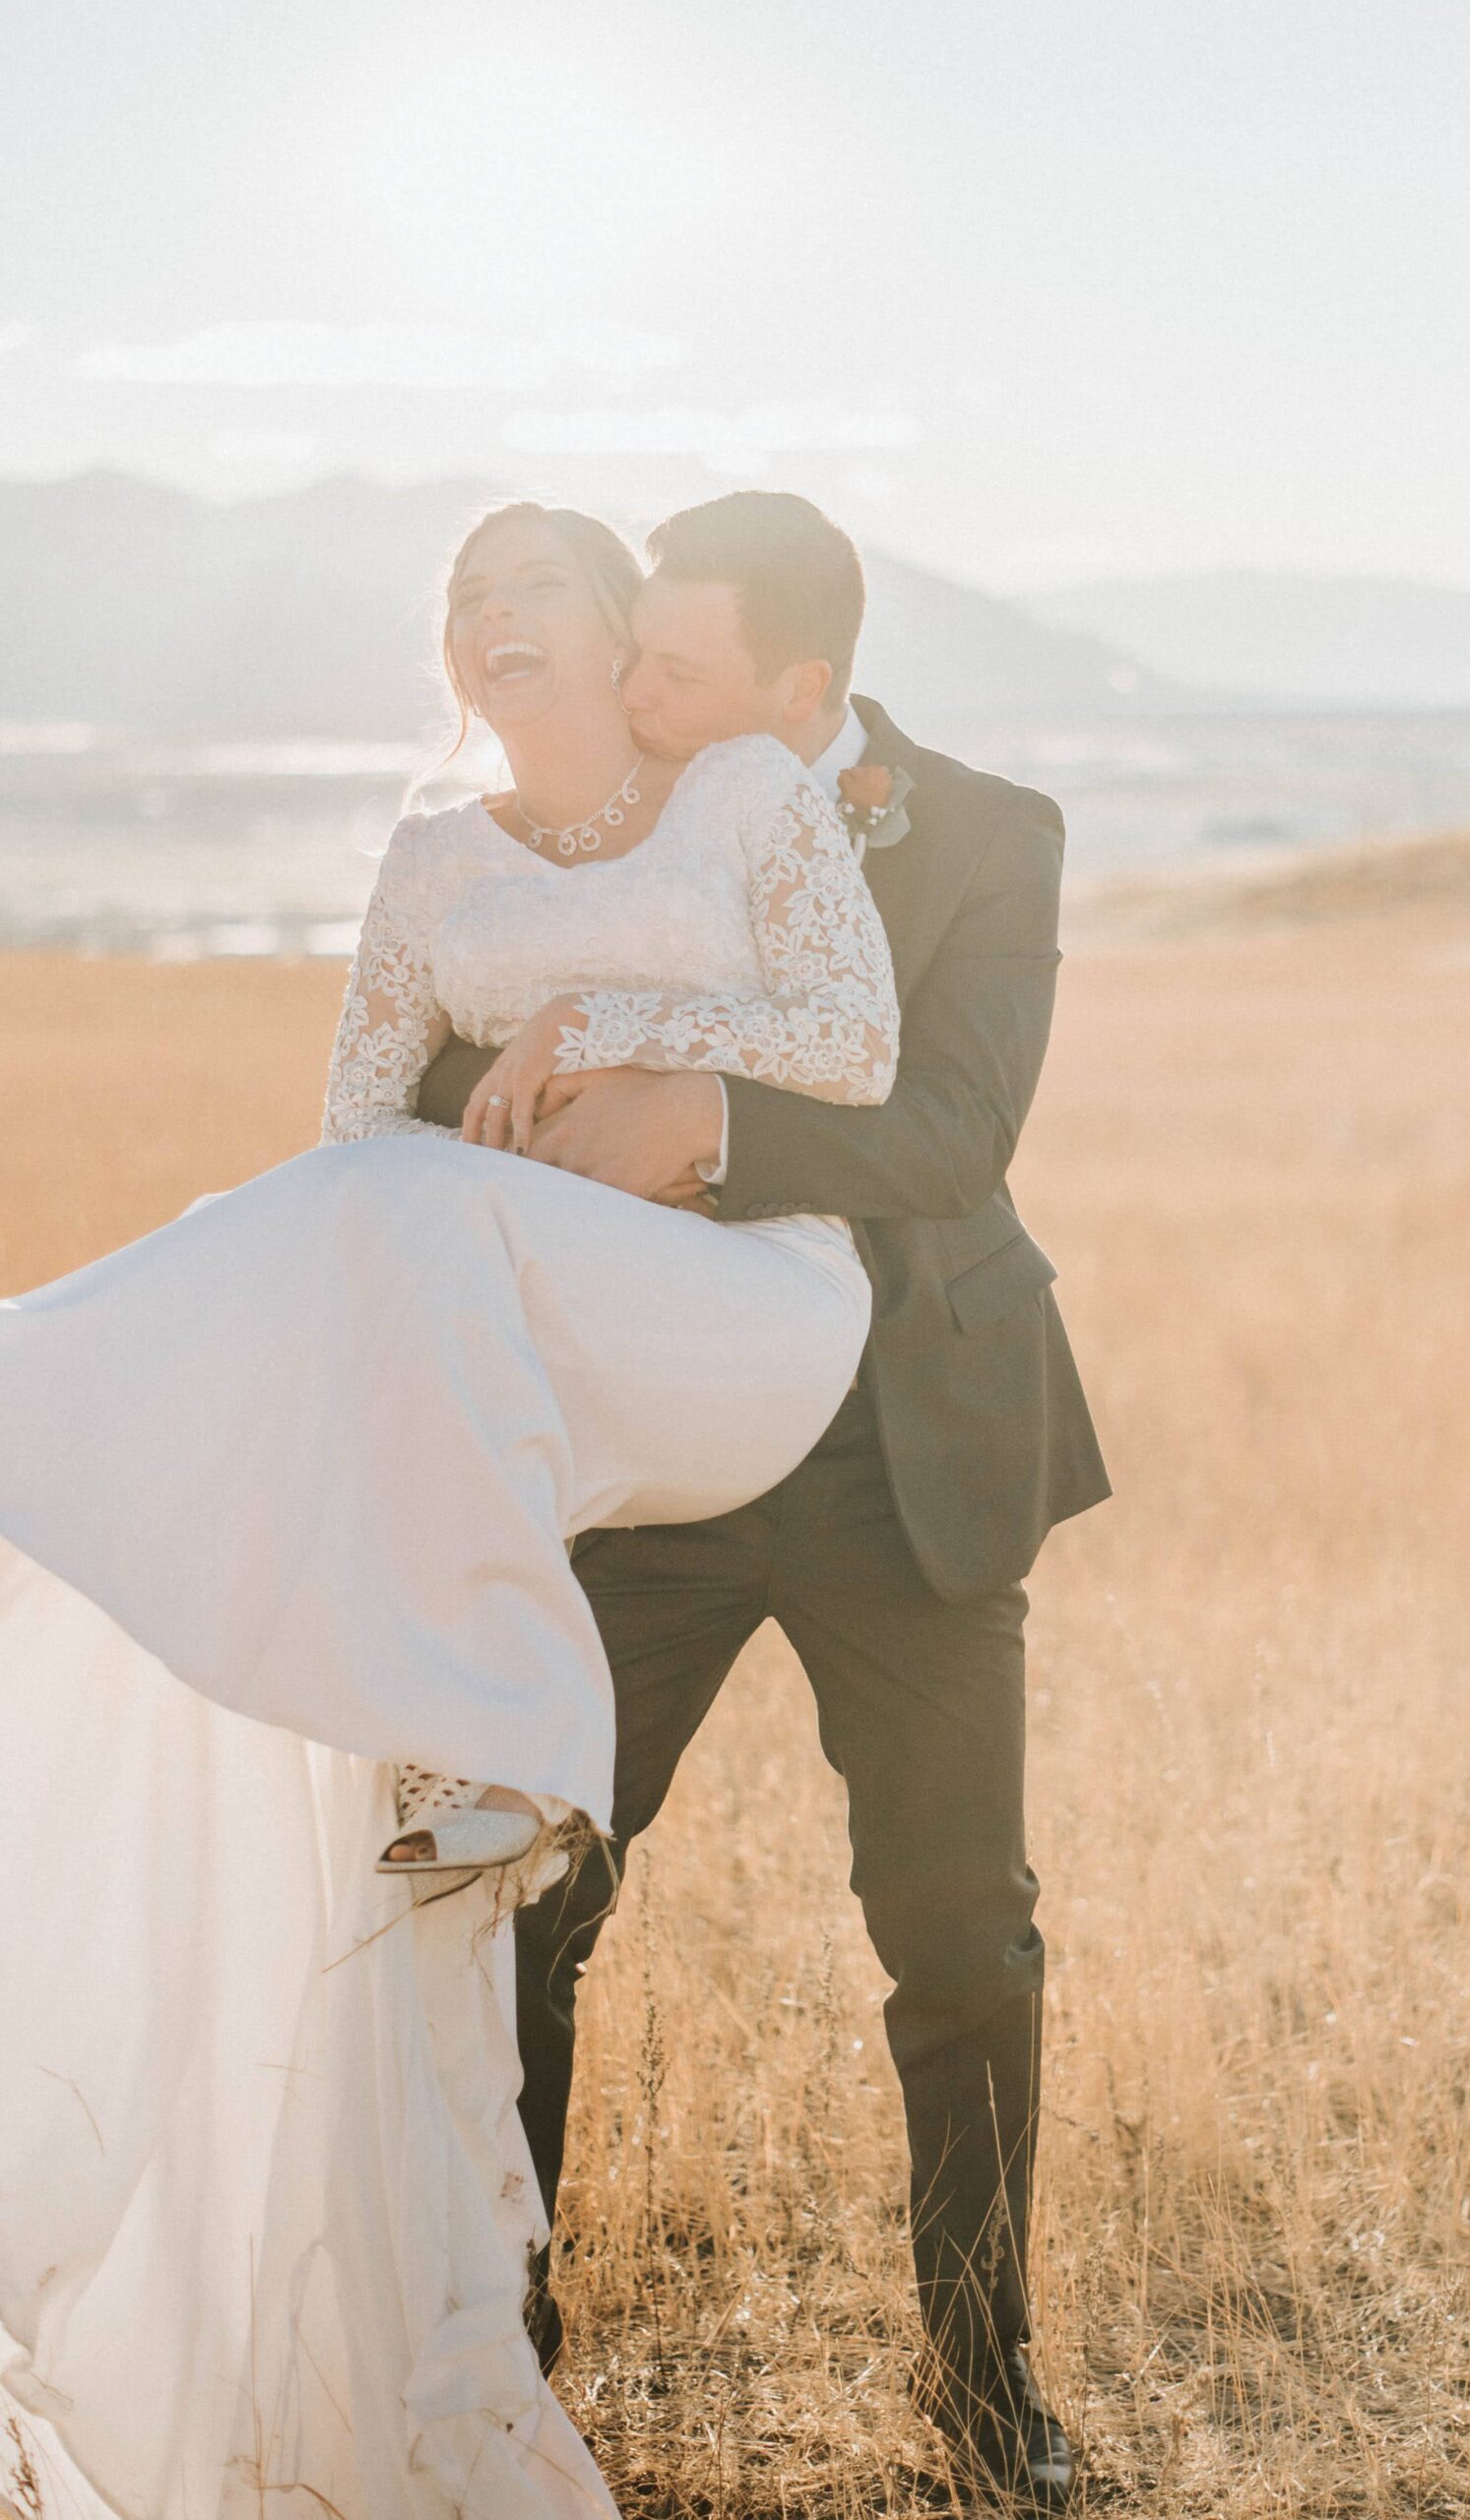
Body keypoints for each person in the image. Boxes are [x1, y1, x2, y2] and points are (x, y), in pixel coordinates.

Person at [0, 498, 900, 2520]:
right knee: (367, 1197)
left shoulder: (745, 794)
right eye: (461, 598)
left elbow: (855, 1040)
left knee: (408, 1207)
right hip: (521, 1317)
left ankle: (499, 1715)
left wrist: (602, 1027)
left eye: (532, 589)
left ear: (617, 636)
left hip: (747, 1307)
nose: (492, 616)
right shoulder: (424, 867)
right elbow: (351, 1146)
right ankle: (57, 1405)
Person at [417, 490, 1112, 2511]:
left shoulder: (992, 833)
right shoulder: (609, 813)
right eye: (630, 662)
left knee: (963, 1931)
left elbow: (959, 1126)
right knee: (537, 1889)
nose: (635, 694)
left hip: (915, 1448)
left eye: (678, 670)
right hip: (656, 1459)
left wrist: (700, 1120)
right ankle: (503, 2364)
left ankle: (987, 2385)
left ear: (801, 688)